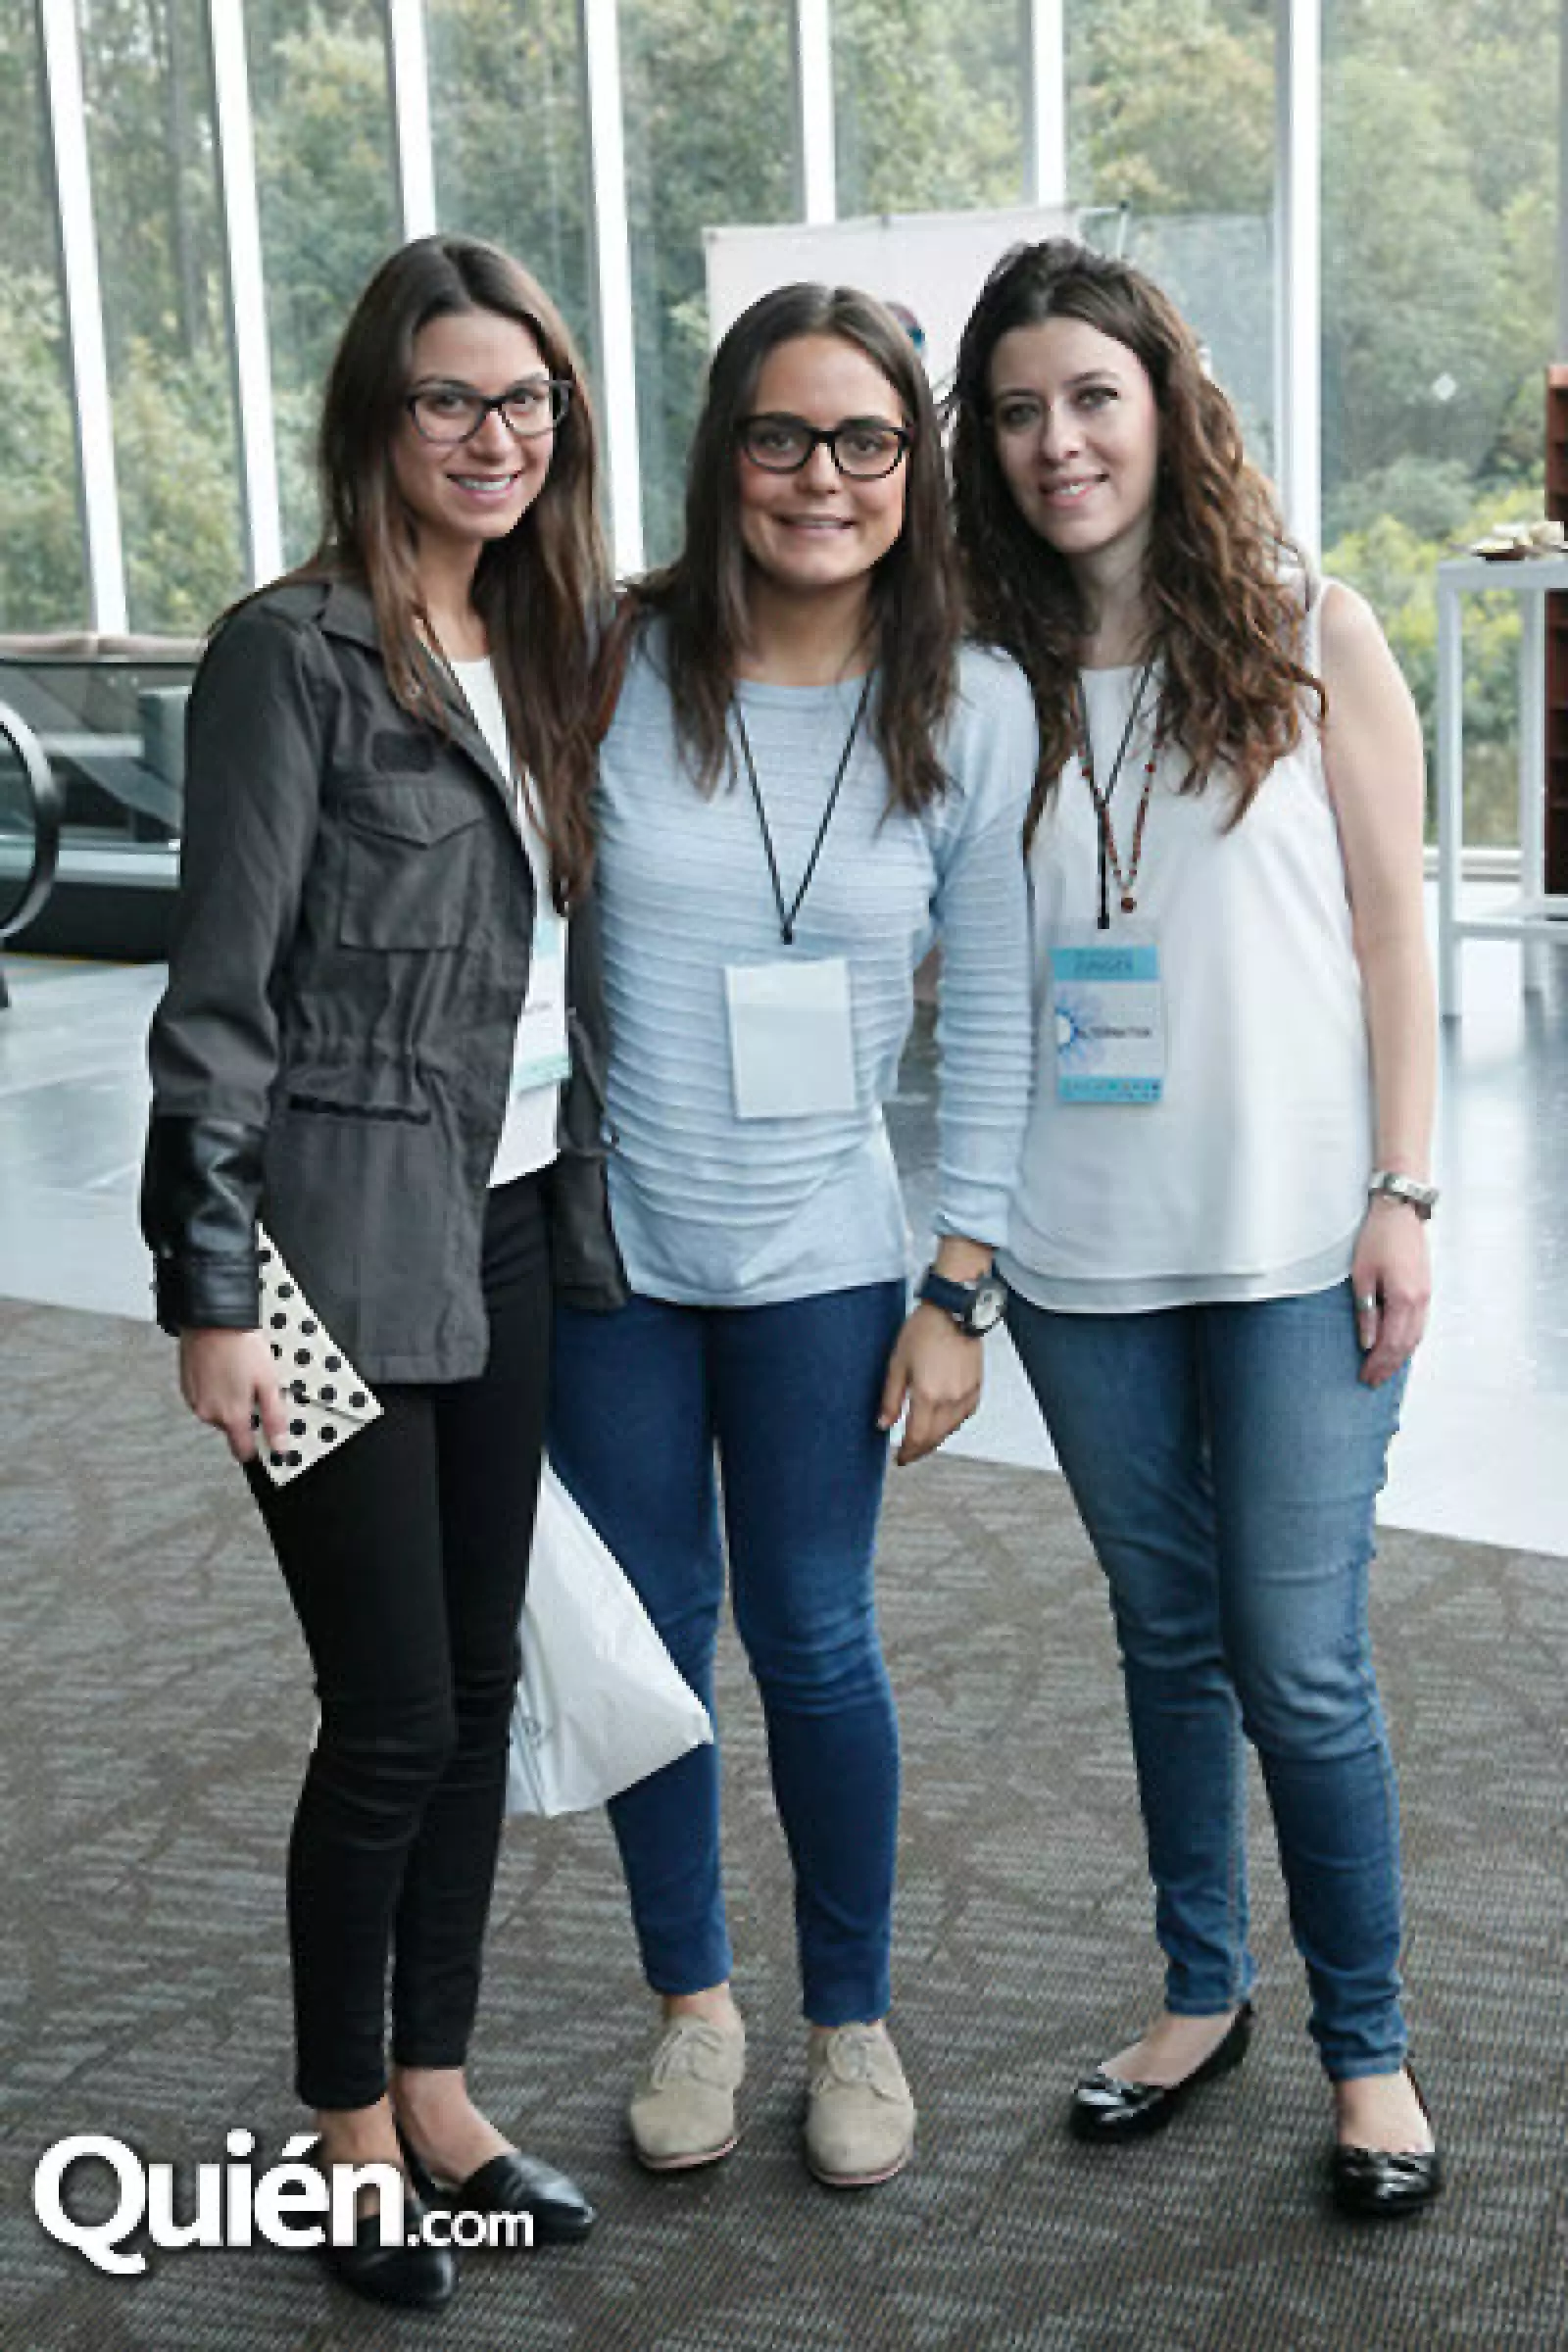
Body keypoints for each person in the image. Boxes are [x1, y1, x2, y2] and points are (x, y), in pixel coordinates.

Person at [139, 234, 625, 2309]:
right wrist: (207, 1288)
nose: (492, 435)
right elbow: (219, 998)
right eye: (449, 399)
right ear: (375, 417)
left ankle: (440, 2093)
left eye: (523, 401)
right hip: (324, 1262)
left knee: (488, 1685)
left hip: (507, 1226)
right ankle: (347, 2134)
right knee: (395, 1713)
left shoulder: (552, 641)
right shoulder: (293, 653)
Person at [949, 239, 1443, 2220]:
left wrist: (1401, 1191)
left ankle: (1370, 2049)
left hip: (1295, 1237)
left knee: (1292, 1654)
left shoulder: (1307, 626)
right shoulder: (978, 680)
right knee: (1163, 1638)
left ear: (1164, 403)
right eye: (1013, 409)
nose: (1056, 440)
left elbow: (1395, 931)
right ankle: (1196, 1989)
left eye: (1089, 395)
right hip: (1082, 1252)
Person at [548, 283, 1035, 2190]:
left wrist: (958, 1284)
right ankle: (694, 2007)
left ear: (911, 465)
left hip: (833, 1260)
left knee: (816, 1643)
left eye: (861, 440)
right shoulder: (603, 655)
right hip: (612, 1261)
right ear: (719, 450)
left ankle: (850, 2021)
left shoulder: (968, 700)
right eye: (778, 435)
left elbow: (990, 1007)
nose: (817, 478)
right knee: (650, 1642)